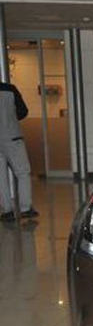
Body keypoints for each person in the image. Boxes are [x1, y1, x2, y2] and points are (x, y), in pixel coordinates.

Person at [0, 82, 37, 221]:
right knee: (23, 172)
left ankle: (6, 211)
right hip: (12, 137)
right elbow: (23, 111)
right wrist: (10, 116)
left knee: (0, 176)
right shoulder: (10, 89)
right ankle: (25, 208)